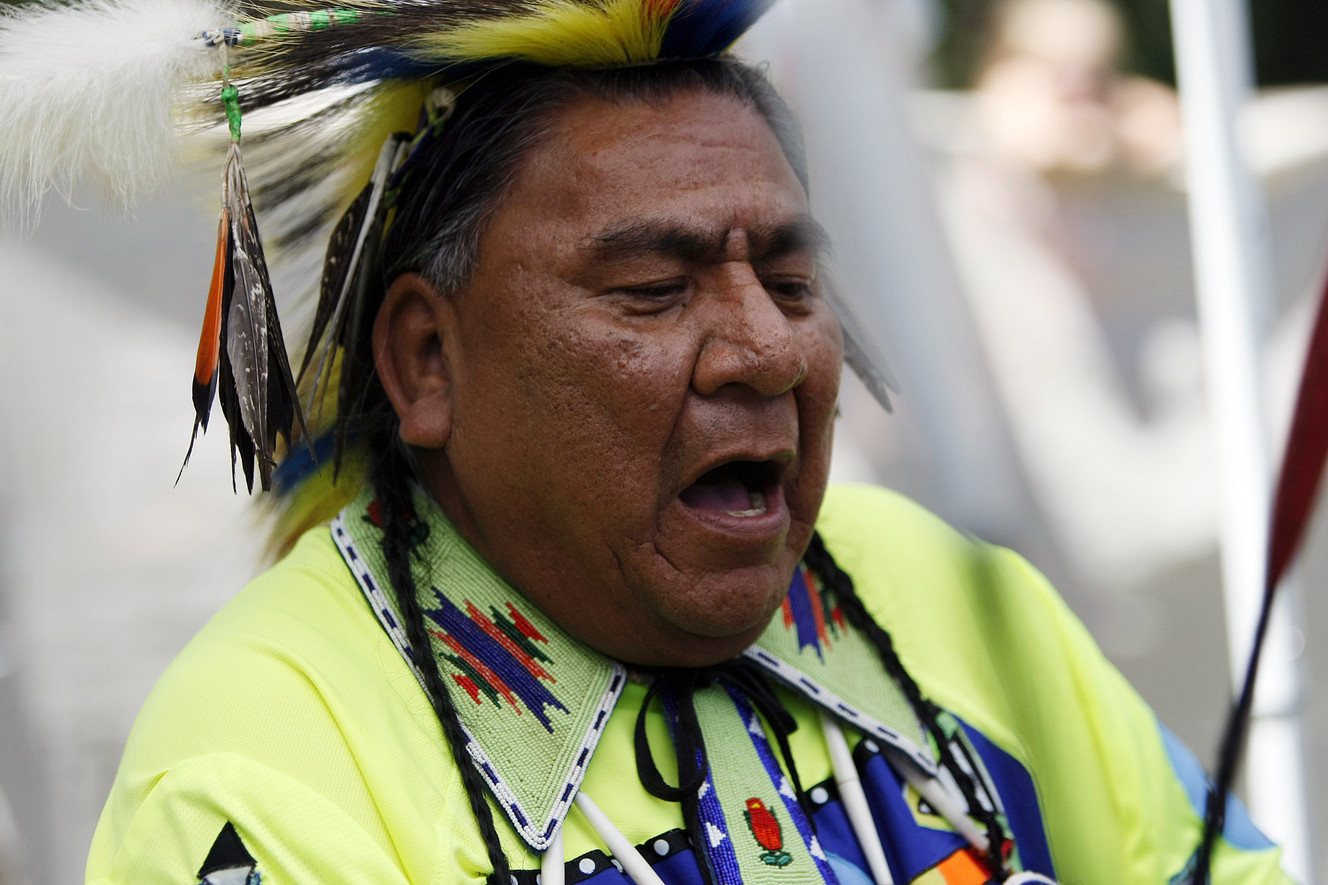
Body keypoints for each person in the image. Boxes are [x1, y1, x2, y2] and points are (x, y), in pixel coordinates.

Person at [0, 1, 1288, 883]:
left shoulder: (942, 595)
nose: (766, 350)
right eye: (653, 290)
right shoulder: (267, 762)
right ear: (427, 361)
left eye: (790, 279)